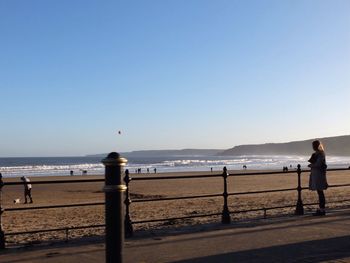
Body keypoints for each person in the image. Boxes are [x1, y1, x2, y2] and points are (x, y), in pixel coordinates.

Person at [308, 140, 328, 216]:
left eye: (314, 145)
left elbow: (318, 164)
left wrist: (311, 165)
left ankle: (322, 210)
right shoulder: (319, 153)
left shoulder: (320, 153)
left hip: (319, 175)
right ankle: (321, 209)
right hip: (317, 174)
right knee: (320, 192)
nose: (313, 147)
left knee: (320, 192)